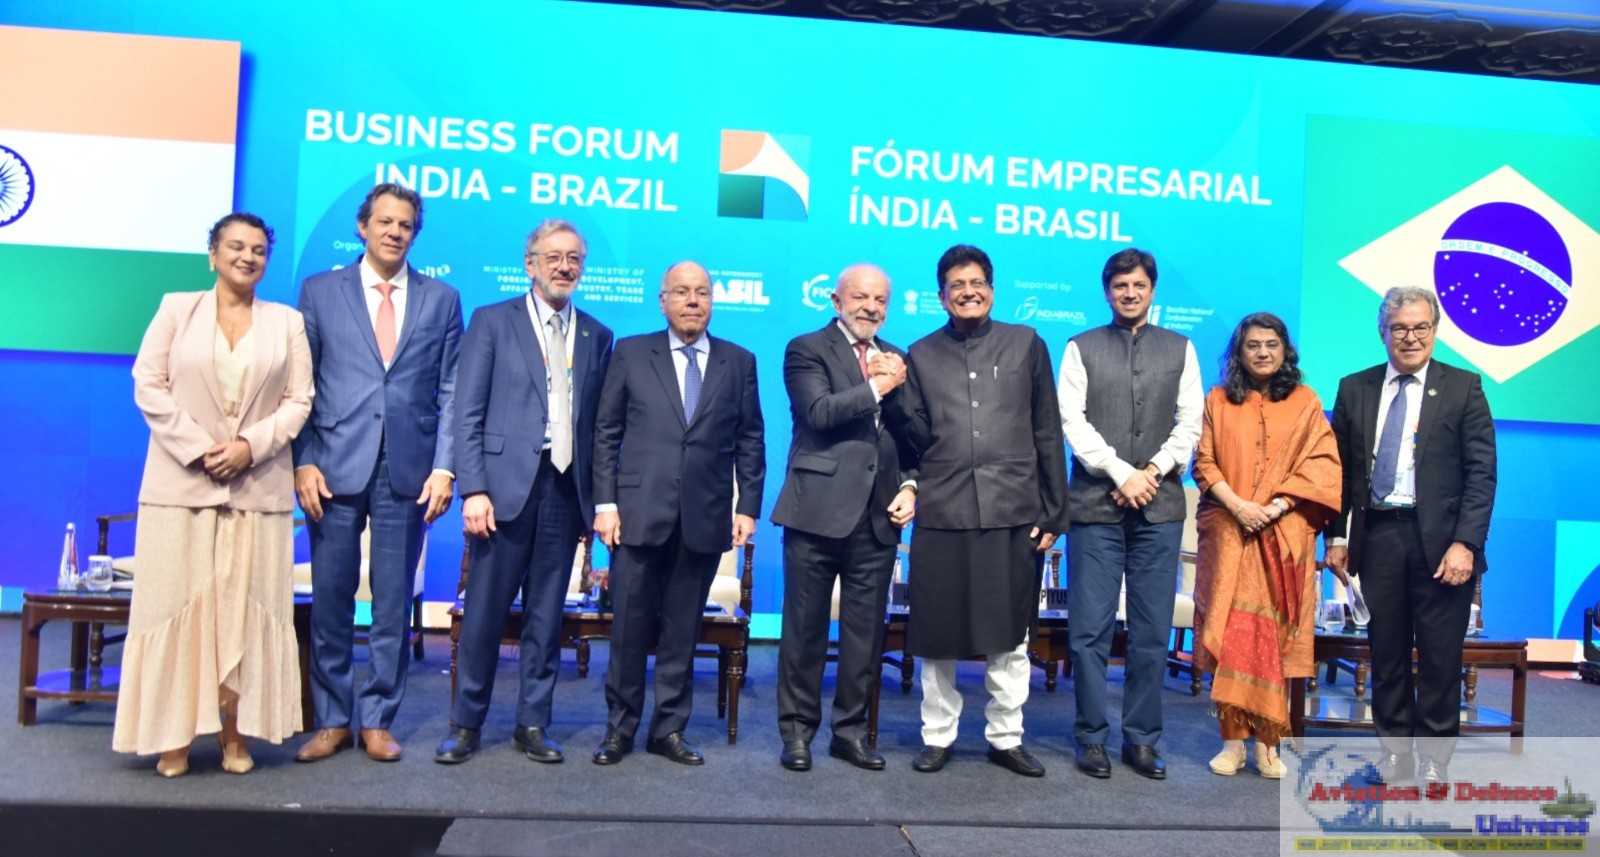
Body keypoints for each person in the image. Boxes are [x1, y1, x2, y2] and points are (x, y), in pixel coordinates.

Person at [113, 213, 312, 777]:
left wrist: (250, 446)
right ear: (213, 254)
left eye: (258, 250)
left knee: (245, 614)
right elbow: (148, 383)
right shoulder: (176, 309)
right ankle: (172, 737)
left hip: (257, 488)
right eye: (236, 246)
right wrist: (201, 449)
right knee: (176, 609)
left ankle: (234, 735)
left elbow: (300, 400)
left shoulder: (287, 322)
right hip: (181, 486)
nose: (247, 257)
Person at [293, 183, 463, 763]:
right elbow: (301, 387)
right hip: (333, 467)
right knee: (331, 600)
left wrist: (445, 468)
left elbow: (451, 389)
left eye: (405, 224)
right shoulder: (320, 292)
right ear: (362, 227)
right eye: (384, 221)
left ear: (415, 234)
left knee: (392, 603)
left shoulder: (442, 299)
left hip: (408, 471)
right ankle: (332, 720)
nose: (395, 232)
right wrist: (303, 461)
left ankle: (377, 720)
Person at [435, 219, 614, 764]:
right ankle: (467, 725)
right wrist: (473, 489)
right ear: (529, 264)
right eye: (552, 257)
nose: (564, 266)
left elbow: (598, 429)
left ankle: (533, 724)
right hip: (502, 492)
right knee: (484, 616)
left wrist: (597, 501)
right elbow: (466, 412)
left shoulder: (597, 335)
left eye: (574, 258)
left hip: (565, 491)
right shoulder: (492, 321)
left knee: (545, 617)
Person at [886, 244, 1068, 778]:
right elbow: (916, 436)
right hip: (943, 510)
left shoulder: (1026, 343)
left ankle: (1006, 738)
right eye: (956, 285)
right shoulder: (920, 354)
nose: (968, 292)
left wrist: (1054, 510)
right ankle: (937, 736)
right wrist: (893, 394)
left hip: (1013, 511)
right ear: (941, 296)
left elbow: (1047, 429)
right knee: (937, 635)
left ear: (991, 289)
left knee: (1010, 637)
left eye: (976, 283)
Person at [591, 261, 765, 766]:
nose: (693, 301)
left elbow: (751, 439)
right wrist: (605, 504)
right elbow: (606, 433)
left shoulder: (739, 361)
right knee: (628, 630)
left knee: (682, 631)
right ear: (662, 300)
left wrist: (747, 507)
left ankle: (668, 729)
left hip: (704, 516)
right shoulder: (630, 352)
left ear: (712, 301)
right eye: (682, 292)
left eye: (702, 292)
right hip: (637, 514)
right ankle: (619, 729)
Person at [1325, 286, 1496, 784]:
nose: (1411, 337)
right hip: (1378, 537)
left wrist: (1467, 543)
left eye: (1421, 327)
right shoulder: (1354, 387)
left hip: (1444, 546)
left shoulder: (1464, 387)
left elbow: (1482, 473)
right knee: (1387, 653)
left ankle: (1435, 760)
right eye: (1399, 327)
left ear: (1435, 330)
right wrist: (1337, 537)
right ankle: (1395, 754)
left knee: (1441, 657)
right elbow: (1339, 472)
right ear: (1383, 332)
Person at [1059, 247, 1202, 780]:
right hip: (1095, 506)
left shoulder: (1180, 348)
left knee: (1150, 631)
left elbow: (1190, 422)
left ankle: (1141, 740)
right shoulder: (1080, 347)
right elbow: (1072, 422)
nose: (1130, 293)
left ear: (1152, 290)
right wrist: (1122, 473)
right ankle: (1091, 738)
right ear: (1107, 292)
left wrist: (1152, 472)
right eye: (1120, 286)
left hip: (1159, 508)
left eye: (1139, 285)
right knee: (1089, 631)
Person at [771, 264, 918, 772]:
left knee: (864, 636)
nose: (870, 308)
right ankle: (797, 734)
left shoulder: (898, 358)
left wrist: (911, 485)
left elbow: (913, 437)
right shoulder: (807, 348)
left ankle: (850, 733)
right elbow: (819, 413)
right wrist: (878, 387)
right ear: (837, 301)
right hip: (816, 512)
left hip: (878, 518)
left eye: (880, 300)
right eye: (860, 297)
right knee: (804, 631)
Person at [1191, 312, 1341, 779]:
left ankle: (1269, 745)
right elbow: (1204, 462)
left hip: (1283, 538)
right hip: (1230, 535)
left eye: (1271, 345)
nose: (1262, 352)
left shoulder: (1305, 402)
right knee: (1234, 637)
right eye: (1253, 345)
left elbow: (1320, 466)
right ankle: (1233, 744)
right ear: (1239, 352)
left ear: (1285, 351)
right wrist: (1239, 507)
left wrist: (1274, 508)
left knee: (1271, 641)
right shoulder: (1218, 400)